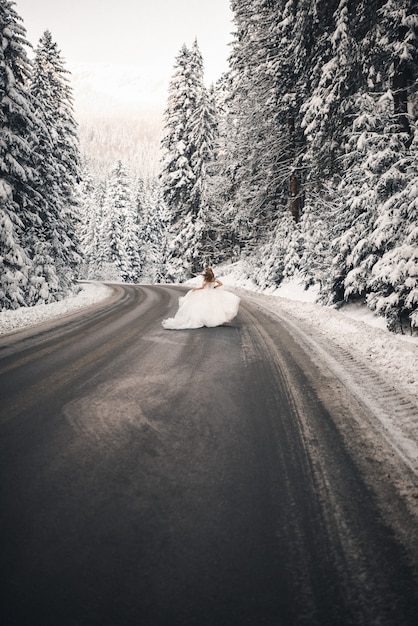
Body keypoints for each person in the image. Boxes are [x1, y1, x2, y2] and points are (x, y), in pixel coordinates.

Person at [162, 267, 240, 330]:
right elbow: (221, 284)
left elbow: (202, 287)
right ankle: (212, 320)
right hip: (213, 292)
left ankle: (205, 320)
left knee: (202, 307)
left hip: (205, 293)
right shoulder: (214, 279)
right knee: (214, 307)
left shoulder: (206, 280)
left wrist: (195, 289)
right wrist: (214, 287)